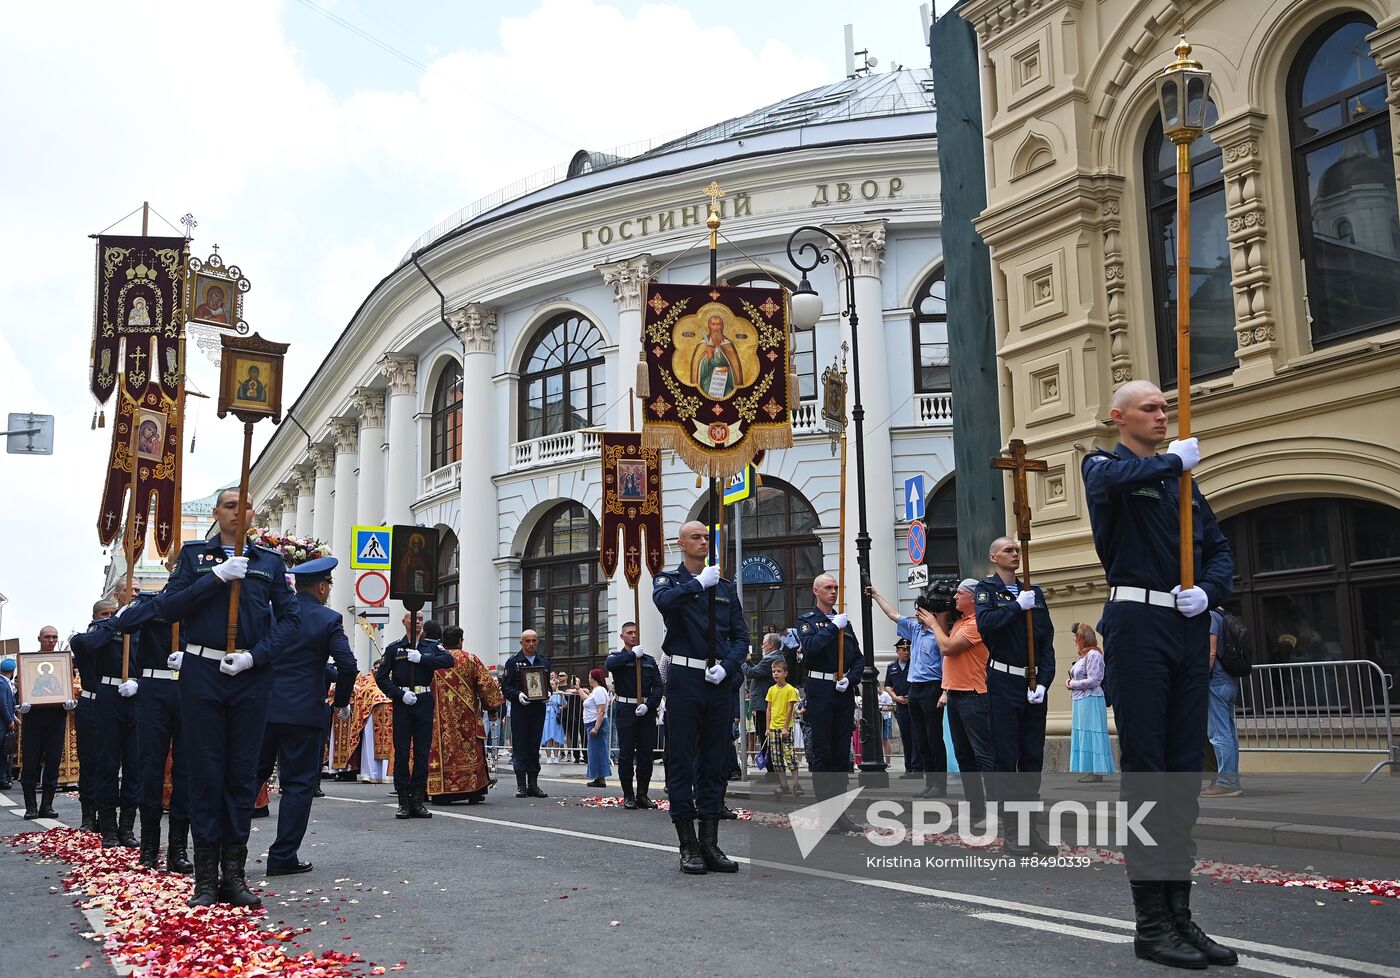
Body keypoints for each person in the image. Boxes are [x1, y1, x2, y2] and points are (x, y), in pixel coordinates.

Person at [1082, 379, 1237, 968]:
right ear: (1119, 417)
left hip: (1186, 626)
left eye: (1165, 407)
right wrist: (1173, 461)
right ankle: (1151, 924)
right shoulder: (1105, 466)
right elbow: (1108, 483)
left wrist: (1210, 592)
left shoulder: (1183, 484)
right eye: (1150, 408)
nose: (1162, 414)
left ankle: (1180, 916)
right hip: (1137, 628)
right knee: (1149, 776)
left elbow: (1220, 549)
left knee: (1182, 777)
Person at [653, 520, 748, 874]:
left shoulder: (724, 587)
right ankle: (687, 844)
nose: (703, 541)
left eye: (706, 537)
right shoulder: (670, 580)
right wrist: (696, 584)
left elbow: (741, 637)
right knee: (681, 759)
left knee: (714, 761)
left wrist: (727, 666)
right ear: (681, 544)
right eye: (696, 537)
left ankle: (710, 842)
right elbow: (663, 603)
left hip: (716, 680)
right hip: (683, 678)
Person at [255, 557, 357, 874]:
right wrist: (340, 703)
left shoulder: (270, 614)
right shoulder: (328, 619)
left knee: (248, 780)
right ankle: (282, 856)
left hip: (263, 709)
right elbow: (348, 666)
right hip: (304, 713)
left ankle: (228, 852)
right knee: (297, 786)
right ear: (323, 587)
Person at [974, 537, 1057, 855]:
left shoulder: (1033, 592)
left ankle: (1030, 830)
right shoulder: (986, 590)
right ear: (993, 556)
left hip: (1032, 685)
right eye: (1008, 550)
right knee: (1007, 759)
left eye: (1017, 550)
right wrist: (1014, 607)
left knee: (1032, 759)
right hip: (1004, 681)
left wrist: (1044, 683)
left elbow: (1046, 641)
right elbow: (987, 626)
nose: (1015, 554)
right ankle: (1012, 832)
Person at [70, 582, 143, 849]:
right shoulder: (101, 629)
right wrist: (117, 621)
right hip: (108, 697)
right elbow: (87, 645)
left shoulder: (141, 628)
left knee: (134, 766)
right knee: (107, 765)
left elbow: (151, 660)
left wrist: (140, 684)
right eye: (130, 589)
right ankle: (108, 828)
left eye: (137, 590)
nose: (135, 594)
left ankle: (127, 827)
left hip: (135, 695)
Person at [790, 573, 862, 831]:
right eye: (828, 588)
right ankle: (825, 814)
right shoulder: (807, 621)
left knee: (841, 754)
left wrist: (850, 679)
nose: (833, 592)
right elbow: (810, 651)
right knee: (822, 753)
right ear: (816, 591)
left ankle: (840, 814)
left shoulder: (845, 624)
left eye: (836, 588)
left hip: (841, 691)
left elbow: (859, 659)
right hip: (819, 689)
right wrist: (833, 628)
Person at [867, 583, 947, 799]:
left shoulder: (939, 634)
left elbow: (948, 662)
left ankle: (940, 783)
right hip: (915, 689)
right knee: (920, 738)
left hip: (932, 687)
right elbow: (893, 614)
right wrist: (876, 595)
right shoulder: (915, 630)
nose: (917, 615)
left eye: (921, 611)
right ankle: (929, 782)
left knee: (934, 738)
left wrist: (945, 691)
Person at [925, 580, 995, 826]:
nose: (954, 597)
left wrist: (933, 623)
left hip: (974, 696)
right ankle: (976, 811)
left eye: (959, 594)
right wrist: (941, 617)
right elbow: (943, 640)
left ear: (974, 598)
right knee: (964, 756)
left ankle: (997, 812)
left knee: (985, 756)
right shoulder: (962, 622)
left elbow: (947, 648)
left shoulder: (977, 623)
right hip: (956, 695)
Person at [376, 613, 454, 818]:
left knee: (422, 751)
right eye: (413, 618)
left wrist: (423, 659)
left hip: (424, 700)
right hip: (404, 702)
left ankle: (418, 800)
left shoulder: (430, 646)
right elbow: (381, 678)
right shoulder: (394, 648)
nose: (417, 621)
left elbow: (448, 660)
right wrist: (400, 694)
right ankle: (403, 801)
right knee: (402, 751)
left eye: (420, 619)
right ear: (404, 622)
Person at [425, 624, 503, 804]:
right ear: (460, 641)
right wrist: (491, 709)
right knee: (470, 751)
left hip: (438, 716)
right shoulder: (470, 660)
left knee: (440, 750)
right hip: (466, 717)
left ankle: (441, 792)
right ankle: (473, 790)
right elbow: (486, 686)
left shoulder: (433, 659)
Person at [17, 627, 77, 820]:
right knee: (31, 761)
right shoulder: (29, 664)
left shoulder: (62, 666)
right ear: (39, 638)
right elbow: (26, 688)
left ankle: (47, 806)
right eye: (47, 637)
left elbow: (65, 687)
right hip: (33, 717)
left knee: (53, 761)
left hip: (56, 717)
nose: (51, 640)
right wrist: (22, 701)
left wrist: (69, 700)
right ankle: (30, 807)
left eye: (54, 637)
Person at [604, 621, 663, 808]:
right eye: (629, 633)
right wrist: (631, 655)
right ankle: (628, 795)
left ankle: (643, 795)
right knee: (626, 753)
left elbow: (659, 686)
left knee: (646, 754)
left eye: (636, 632)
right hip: (626, 709)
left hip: (645, 710)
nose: (633, 635)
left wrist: (649, 704)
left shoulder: (648, 660)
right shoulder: (618, 657)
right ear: (622, 636)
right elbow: (610, 665)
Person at [499, 630, 550, 798]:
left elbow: (547, 685)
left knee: (534, 745)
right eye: (527, 641)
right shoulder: (513, 662)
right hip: (520, 710)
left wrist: (548, 694)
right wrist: (518, 695)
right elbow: (506, 687)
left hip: (537, 709)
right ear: (521, 643)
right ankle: (521, 784)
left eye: (534, 640)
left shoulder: (543, 662)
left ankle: (533, 784)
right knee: (520, 745)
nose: (531, 644)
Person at [1066, 622, 1114, 784]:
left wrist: (1071, 684)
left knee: (1092, 732)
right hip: (1081, 699)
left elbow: (1095, 680)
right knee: (1085, 733)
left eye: (1076, 637)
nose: (1074, 640)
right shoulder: (1084, 655)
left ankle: (1097, 771)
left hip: (1091, 699)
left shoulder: (1094, 655)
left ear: (1082, 638)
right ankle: (1091, 769)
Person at [1201, 610, 1242, 798]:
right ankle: (1230, 779)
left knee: (1218, 734)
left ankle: (1226, 782)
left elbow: (1211, 651)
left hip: (1215, 683)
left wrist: (1199, 679)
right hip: (1228, 681)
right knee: (1229, 734)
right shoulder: (1223, 614)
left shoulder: (1208, 616)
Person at [883, 638, 922, 778]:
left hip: (914, 703)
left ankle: (917, 768)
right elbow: (887, 684)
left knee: (916, 736)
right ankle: (909, 768)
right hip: (900, 704)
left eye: (909, 649)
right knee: (906, 737)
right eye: (904, 650)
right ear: (897, 651)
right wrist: (894, 697)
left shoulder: (915, 664)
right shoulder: (892, 667)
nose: (907, 652)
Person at [765, 658, 802, 798]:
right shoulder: (771, 690)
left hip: (785, 728)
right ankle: (784, 784)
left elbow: (790, 709)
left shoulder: (790, 689)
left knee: (789, 755)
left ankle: (796, 784)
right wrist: (768, 727)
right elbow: (769, 708)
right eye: (774, 671)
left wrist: (785, 727)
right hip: (773, 728)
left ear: (785, 673)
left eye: (778, 671)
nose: (775, 674)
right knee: (776, 758)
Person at [690, 313, 744, 398]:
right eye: (713, 324)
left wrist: (728, 369)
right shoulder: (703, 344)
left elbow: (735, 369)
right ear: (709, 326)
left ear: (722, 326)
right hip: (708, 382)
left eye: (718, 325)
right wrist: (708, 358)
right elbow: (700, 372)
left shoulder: (728, 344)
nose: (715, 328)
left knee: (729, 394)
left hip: (725, 382)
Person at [582, 669, 612, 788]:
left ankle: (600, 778)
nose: (588, 679)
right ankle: (599, 777)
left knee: (597, 751)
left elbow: (601, 710)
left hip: (596, 724)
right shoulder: (596, 691)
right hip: (593, 723)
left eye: (589, 677)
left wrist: (596, 727)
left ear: (594, 678)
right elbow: (588, 701)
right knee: (595, 751)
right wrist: (579, 689)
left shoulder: (599, 690)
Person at [542, 676, 565, 764]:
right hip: (547, 718)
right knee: (548, 737)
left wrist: (562, 696)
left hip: (556, 718)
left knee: (556, 738)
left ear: (556, 685)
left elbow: (563, 704)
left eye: (552, 684)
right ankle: (548, 757)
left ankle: (555, 756)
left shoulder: (558, 694)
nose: (551, 686)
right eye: (550, 684)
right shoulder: (547, 693)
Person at [0, 658, 15, 789]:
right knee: (3, 753)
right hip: (2, 725)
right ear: (12, 671)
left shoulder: (4, 683)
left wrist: (14, 718)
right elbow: (3, 704)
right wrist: (10, 720)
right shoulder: (2, 684)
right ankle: (2, 779)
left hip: (4, 723)